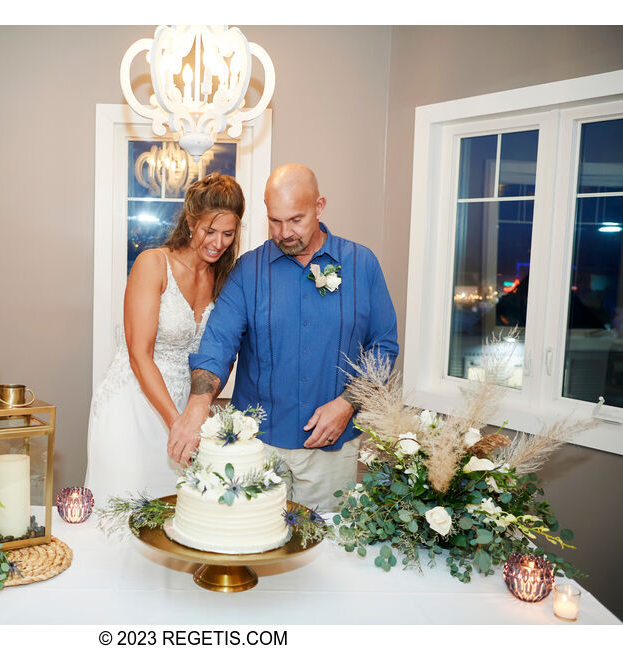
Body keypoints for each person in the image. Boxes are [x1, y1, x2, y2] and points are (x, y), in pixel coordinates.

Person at [167, 163, 399, 509]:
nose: (284, 232)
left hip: (330, 449)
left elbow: (383, 346)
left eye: (296, 220)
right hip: (256, 448)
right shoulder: (248, 270)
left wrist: (347, 403)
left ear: (319, 207)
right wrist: (198, 403)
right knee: (251, 546)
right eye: (275, 221)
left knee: (322, 552)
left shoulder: (361, 265)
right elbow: (218, 344)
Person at [84, 173, 246, 505]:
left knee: (176, 520)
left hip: (187, 413)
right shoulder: (154, 264)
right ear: (190, 222)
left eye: (228, 233)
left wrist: (195, 416)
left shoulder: (224, 277)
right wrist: (177, 423)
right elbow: (138, 355)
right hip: (134, 408)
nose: (218, 242)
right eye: (209, 231)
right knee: (125, 512)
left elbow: (224, 349)